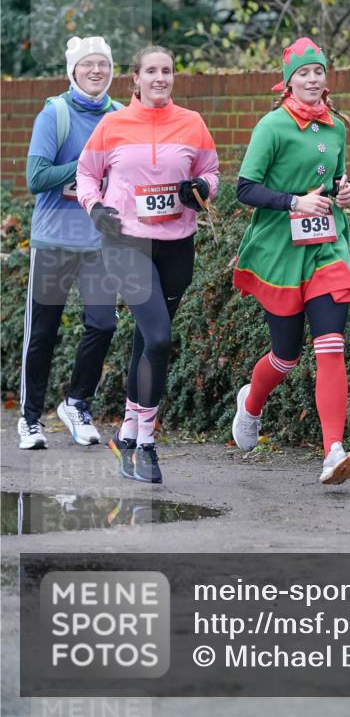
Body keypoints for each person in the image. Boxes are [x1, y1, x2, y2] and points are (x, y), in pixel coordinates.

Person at [76, 45, 219, 484]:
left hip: (177, 245)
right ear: (135, 79)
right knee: (159, 337)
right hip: (127, 243)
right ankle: (148, 442)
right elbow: (85, 173)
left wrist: (200, 187)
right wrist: (95, 208)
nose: (161, 78)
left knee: (146, 340)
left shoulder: (191, 122)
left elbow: (212, 173)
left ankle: (127, 434)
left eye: (168, 71)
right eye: (152, 71)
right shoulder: (113, 124)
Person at [232, 36, 350, 485]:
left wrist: (348, 192)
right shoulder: (272, 126)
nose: (312, 79)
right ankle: (250, 404)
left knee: (331, 344)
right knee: (286, 356)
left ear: (326, 80)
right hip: (279, 250)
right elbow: (244, 188)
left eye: (318, 72)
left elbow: (337, 180)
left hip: (327, 248)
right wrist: (294, 202)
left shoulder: (336, 127)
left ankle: (333, 451)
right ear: (289, 82)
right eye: (303, 73)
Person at [19, 36, 122, 451]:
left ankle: (76, 404)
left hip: (99, 242)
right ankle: (29, 420)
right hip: (54, 240)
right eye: (87, 64)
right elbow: (36, 178)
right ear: (73, 71)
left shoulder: (119, 115)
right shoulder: (55, 113)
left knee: (103, 323)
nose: (96, 70)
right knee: (42, 333)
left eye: (103, 64)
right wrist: (83, 168)